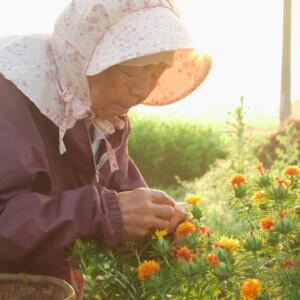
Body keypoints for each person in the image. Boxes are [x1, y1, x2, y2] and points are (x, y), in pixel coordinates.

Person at [0, 0, 211, 297]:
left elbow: (119, 201)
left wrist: (163, 229)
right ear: (85, 57)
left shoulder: (102, 117)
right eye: (132, 71)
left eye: (157, 72)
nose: (142, 89)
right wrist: (108, 214)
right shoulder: (11, 97)